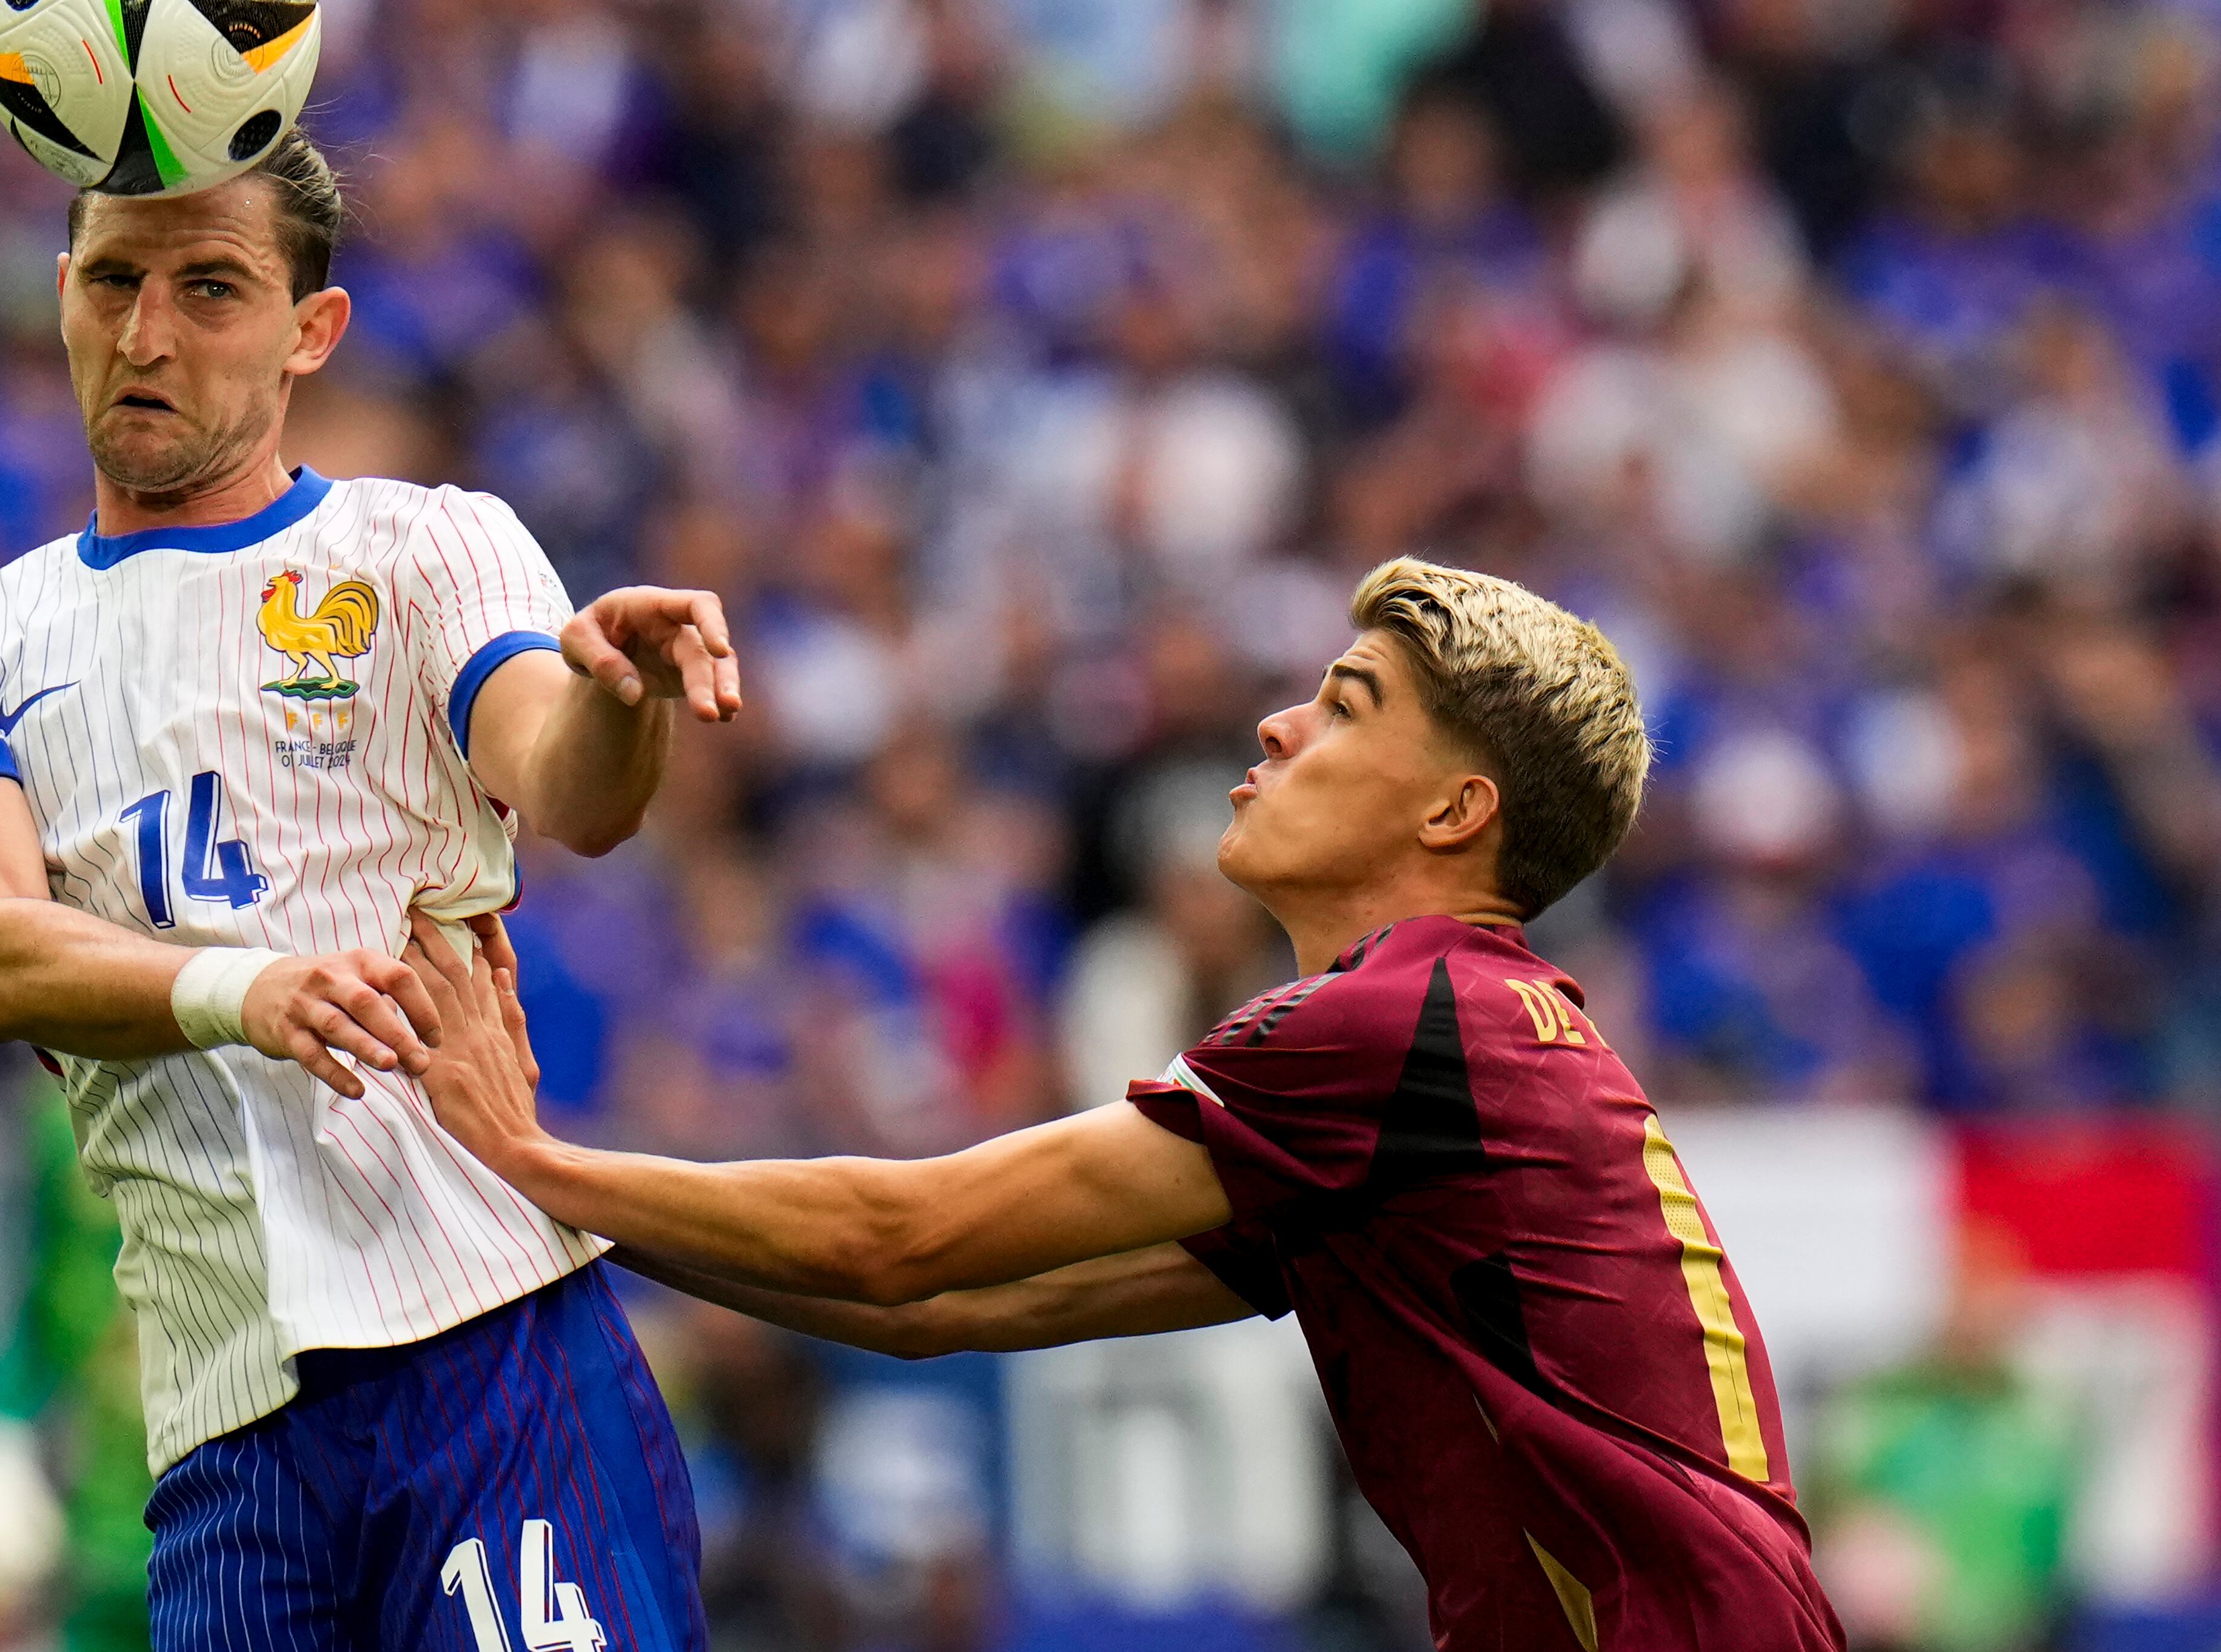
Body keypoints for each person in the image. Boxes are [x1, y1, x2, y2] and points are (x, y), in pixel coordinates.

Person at [407, 558, 1844, 1652]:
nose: (1279, 720)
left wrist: (528, 1157)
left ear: (1453, 811)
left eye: (1346, 705)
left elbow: (899, 1235)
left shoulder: (1396, 1023)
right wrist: (555, 1205)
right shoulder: (1443, 1052)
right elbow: (935, 1313)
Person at [0, 127, 742, 1652]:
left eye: (211, 287)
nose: (147, 333)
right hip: (223, 1438)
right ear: (61, 291)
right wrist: (244, 989)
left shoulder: (420, 546)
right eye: (114, 279)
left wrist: (617, 694)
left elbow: (568, 785)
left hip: (491, 1353)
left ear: (309, 329)